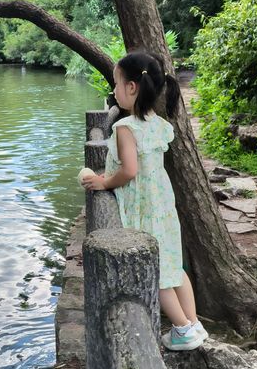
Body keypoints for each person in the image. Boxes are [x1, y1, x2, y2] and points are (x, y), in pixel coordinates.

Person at [82, 50, 208, 350]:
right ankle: (193, 323)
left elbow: (129, 170)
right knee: (174, 266)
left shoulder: (125, 128)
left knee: (159, 272)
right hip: (163, 204)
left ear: (132, 88)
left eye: (116, 83)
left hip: (144, 206)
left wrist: (103, 182)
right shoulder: (157, 123)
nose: (113, 90)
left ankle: (182, 329)